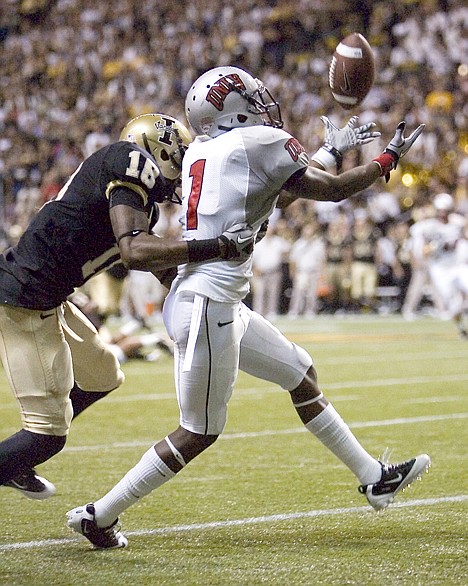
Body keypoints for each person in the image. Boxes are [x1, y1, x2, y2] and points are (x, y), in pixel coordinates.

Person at [67, 66, 430, 549]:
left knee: (301, 375)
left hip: (211, 298)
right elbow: (329, 190)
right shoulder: (257, 140)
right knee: (198, 431)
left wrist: (331, 150)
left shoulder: (203, 150)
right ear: (233, 106)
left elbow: (270, 196)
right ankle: (101, 513)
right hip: (209, 305)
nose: (263, 104)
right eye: (253, 97)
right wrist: (387, 158)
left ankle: (373, 477)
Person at [0, 112, 255, 500]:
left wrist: (203, 293)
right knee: (47, 435)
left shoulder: (138, 205)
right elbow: (135, 251)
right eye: (180, 154)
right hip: (22, 300)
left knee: (104, 375)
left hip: (48, 297)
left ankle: (17, 459)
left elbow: (150, 261)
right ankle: (19, 456)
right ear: (159, 147)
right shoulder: (128, 160)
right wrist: (216, 246)